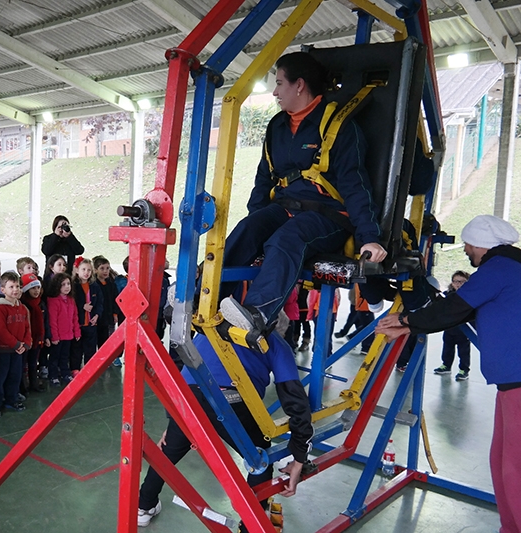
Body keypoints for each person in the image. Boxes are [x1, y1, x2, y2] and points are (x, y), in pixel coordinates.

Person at [217, 52, 386, 351]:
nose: (275, 91)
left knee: (287, 239)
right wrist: (258, 225)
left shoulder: (338, 127)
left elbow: (355, 185)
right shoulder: (276, 128)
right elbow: (263, 180)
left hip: (329, 215)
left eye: (280, 83)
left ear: (299, 85)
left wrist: (369, 238)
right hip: (284, 208)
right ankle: (205, 298)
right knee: (247, 229)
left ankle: (257, 314)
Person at [376, 214, 521, 533]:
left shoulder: (498, 268)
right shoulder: (509, 268)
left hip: (518, 381)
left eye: (469, 245)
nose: (467, 251)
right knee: (501, 460)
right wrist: (409, 322)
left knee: (515, 467)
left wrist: (406, 322)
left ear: (482, 244)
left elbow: (455, 307)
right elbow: (459, 310)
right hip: (510, 382)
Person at [136, 332, 313, 529]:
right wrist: (299, 455)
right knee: (260, 456)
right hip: (231, 398)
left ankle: (144, 506)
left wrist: (174, 418)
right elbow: (294, 399)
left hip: (188, 396)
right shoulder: (275, 340)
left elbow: (183, 372)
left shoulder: (209, 323)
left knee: (170, 450)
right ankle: (252, 525)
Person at [0, 271, 31, 418]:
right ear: (2, 290)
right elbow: (0, 331)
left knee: (14, 376)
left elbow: (26, 327)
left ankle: (11, 400)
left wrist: (26, 344)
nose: (15, 290)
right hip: (2, 351)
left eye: (17, 286)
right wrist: (16, 344)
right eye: (11, 286)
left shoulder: (22, 308)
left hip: (17, 351)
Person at [433, 271, 472, 381]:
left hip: (464, 330)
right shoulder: (447, 295)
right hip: (449, 328)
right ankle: (446, 365)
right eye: (456, 281)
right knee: (447, 348)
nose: (458, 284)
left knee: (463, 351)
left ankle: (464, 370)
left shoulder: (470, 296)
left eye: (462, 282)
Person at [46, 272, 80, 387]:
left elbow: (75, 317)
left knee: (65, 356)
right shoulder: (53, 301)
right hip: (58, 337)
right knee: (54, 357)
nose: (67, 287)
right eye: (63, 284)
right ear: (57, 286)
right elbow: (53, 321)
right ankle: (53, 375)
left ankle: (65, 373)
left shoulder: (71, 300)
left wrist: (77, 331)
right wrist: (54, 336)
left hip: (68, 335)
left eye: (68, 284)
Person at [70, 257, 102, 375]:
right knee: (76, 348)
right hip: (78, 323)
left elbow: (99, 302)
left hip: (91, 323)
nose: (86, 272)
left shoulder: (94, 286)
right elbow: (71, 303)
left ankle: (90, 369)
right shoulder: (73, 286)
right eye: (83, 269)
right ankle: (75, 368)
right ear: (77, 270)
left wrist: (97, 315)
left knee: (90, 348)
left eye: (89, 270)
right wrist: (82, 306)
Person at [20, 273, 48, 394]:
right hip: (26, 339)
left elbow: (44, 321)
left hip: (37, 338)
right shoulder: (23, 304)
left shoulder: (40, 303)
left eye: (38, 287)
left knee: (33, 362)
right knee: (22, 364)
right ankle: (22, 387)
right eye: (32, 288)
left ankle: (33, 383)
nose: (36, 291)